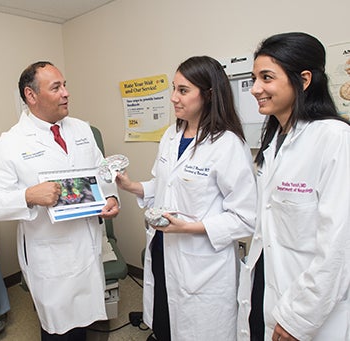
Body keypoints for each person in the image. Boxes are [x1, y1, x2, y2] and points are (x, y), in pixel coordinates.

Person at [116, 56, 257, 340]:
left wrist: (188, 227)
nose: (173, 98)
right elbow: (164, 185)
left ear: (208, 95)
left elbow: (246, 218)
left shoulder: (227, 144)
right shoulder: (171, 134)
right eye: (173, 89)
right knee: (165, 319)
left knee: (199, 329)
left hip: (202, 260)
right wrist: (131, 186)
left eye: (183, 90)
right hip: (162, 248)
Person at [0, 61, 119, 340]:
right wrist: (28, 196)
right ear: (31, 96)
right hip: (50, 253)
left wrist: (111, 195)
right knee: (58, 329)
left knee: (84, 320)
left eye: (65, 85)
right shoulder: (9, 144)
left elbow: (101, 171)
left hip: (87, 242)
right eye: (56, 87)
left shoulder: (82, 130)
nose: (66, 93)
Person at [237, 32, 350, 341]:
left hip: (310, 305)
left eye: (266, 78)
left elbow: (339, 247)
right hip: (267, 280)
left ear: (303, 80)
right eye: (254, 78)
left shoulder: (335, 139)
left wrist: (300, 318)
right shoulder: (275, 140)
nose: (255, 89)